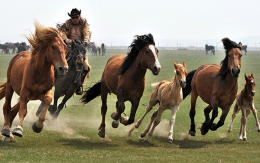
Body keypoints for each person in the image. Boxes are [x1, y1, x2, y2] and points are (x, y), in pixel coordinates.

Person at [58, 8, 91, 95]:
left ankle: (79, 85)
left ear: (79, 16)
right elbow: (62, 32)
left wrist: (86, 39)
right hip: (69, 47)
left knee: (86, 67)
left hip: (80, 48)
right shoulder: (67, 23)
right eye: (73, 17)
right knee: (60, 63)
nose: (75, 19)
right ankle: (56, 80)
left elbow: (86, 31)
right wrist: (66, 40)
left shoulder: (84, 22)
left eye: (76, 17)